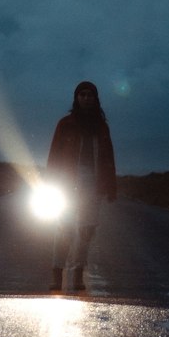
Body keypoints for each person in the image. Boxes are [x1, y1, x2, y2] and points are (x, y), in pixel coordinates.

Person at [46, 80, 117, 293]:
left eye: (90, 95)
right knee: (65, 228)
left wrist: (110, 186)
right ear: (76, 98)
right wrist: (50, 181)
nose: (86, 98)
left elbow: (108, 158)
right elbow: (54, 154)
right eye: (82, 95)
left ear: (96, 99)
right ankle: (57, 271)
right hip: (67, 183)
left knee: (87, 230)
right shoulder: (65, 124)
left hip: (92, 185)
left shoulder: (102, 127)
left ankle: (77, 272)